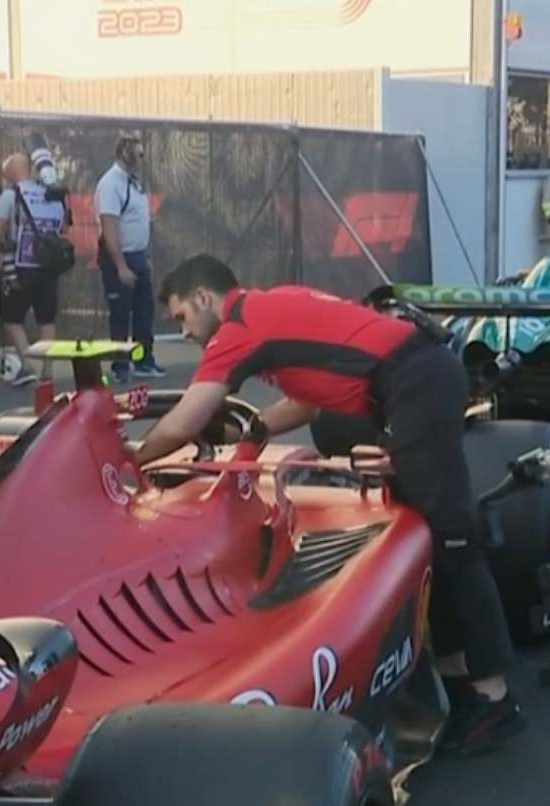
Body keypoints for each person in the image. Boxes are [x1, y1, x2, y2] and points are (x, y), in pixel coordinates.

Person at [135, 254, 524, 757]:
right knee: (426, 535)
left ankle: (494, 701)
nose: (184, 332)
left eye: (182, 317)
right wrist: (247, 431)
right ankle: (454, 678)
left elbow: (183, 422)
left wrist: (132, 460)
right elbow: (304, 403)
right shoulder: (277, 306)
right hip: (414, 378)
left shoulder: (239, 328)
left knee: (453, 537)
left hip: (416, 382)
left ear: (204, 298)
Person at [0, 150, 70, 387]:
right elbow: (63, 229)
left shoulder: (11, 195)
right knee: (47, 319)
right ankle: (47, 369)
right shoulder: (52, 195)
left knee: (11, 318)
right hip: (49, 266)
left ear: (12, 172)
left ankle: (29, 363)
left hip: (20, 268)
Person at [96, 132, 166, 382]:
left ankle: (144, 360)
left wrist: (142, 258)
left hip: (138, 256)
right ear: (125, 152)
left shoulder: (133, 182)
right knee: (120, 314)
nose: (140, 157)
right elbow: (110, 225)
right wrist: (121, 266)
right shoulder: (110, 184)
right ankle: (120, 366)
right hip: (120, 258)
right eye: (137, 152)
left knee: (144, 310)